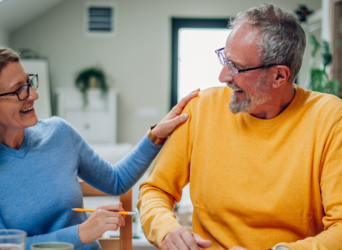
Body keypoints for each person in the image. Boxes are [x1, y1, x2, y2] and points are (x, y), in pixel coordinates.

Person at [0, 46, 199, 250]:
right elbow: (1, 248)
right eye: (18, 91)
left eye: (29, 82)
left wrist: (156, 135)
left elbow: (116, 181)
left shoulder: (59, 132)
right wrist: (83, 232)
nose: (33, 95)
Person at [137, 4, 342, 250]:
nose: (223, 76)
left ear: (279, 76)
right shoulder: (201, 108)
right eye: (225, 59)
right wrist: (166, 229)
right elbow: (155, 190)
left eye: (236, 67)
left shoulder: (330, 118)